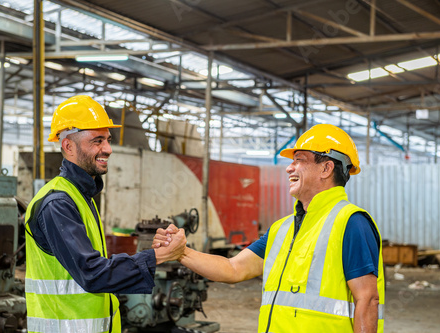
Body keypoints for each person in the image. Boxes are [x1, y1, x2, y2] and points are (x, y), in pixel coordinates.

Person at [154, 124, 385, 333]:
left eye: (300, 160)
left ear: (326, 168)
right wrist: (181, 252)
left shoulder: (351, 223)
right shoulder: (282, 229)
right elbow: (233, 268)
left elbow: (367, 300)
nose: (289, 168)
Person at [24, 95, 186, 333]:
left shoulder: (82, 195)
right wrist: (156, 257)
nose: (108, 149)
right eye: (97, 141)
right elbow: (92, 274)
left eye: (107, 140)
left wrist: (154, 253)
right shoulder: (58, 203)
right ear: (68, 146)